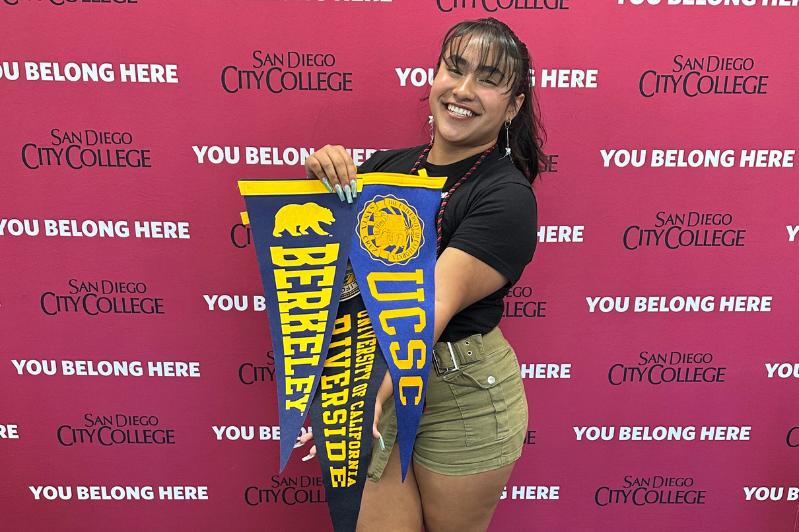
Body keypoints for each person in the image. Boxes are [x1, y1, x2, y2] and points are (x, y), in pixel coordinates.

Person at [299, 17, 546, 532]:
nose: (463, 90)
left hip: (460, 396)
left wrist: (366, 399)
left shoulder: (507, 197)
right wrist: (323, 183)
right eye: (454, 70)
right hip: (371, 372)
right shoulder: (384, 168)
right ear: (434, 78)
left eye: (487, 80)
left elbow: (429, 303)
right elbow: (327, 275)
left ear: (513, 106)